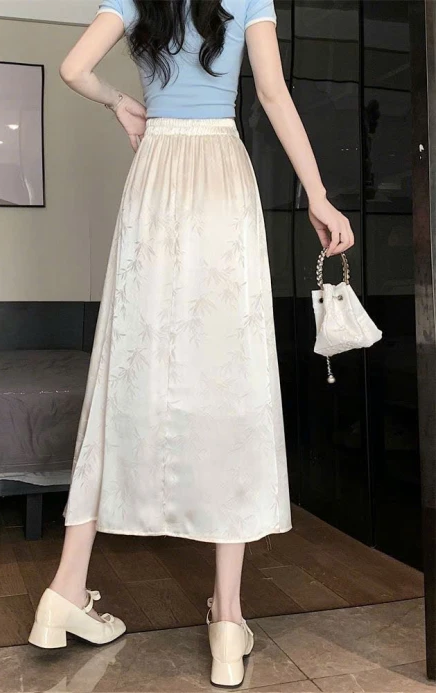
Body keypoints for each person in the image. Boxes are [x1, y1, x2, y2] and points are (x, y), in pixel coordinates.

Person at [28, 0, 354, 687]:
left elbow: (73, 67)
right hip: (220, 176)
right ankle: (228, 620)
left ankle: (64, 590)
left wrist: (120, 102)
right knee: (229, 377)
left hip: (155, 176)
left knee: (125, 368)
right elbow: (272, 94)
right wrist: (318, 194)